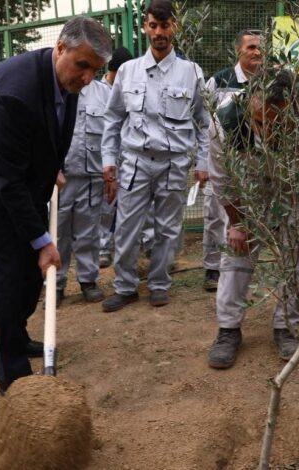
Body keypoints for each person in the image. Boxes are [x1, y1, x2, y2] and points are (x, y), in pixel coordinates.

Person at [0, 16, 111, 394]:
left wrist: (52, 168)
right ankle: (13, 377)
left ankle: (16, 335)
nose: (87, 79)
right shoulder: (15, 93)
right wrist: (43, 241)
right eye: (82, 66)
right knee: (8, 272)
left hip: (13, 178)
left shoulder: (63, 80)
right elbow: (8, 182)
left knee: (30, 274)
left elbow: (47, 135)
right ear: (61, 48)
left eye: (95, 71)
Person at [207, 69, 299, 369]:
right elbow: (224, 182)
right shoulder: (225, 120)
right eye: (259, 122)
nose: (267, 134)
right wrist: (238, 223)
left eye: (279, 125)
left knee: (297, 253)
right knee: (237, 251)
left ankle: (286, 325)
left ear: (297, 110)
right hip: (250, 184)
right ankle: (228, 329)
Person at [100, 0, 210, 312]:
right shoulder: (127, 71)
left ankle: (160, 284)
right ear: (146, 27)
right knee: (127, 227)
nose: (159, 32)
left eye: (165, 25)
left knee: (168, 229)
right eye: (153, 25)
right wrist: (109, 160)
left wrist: (203, 162)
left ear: (174, 27)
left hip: (174, 164)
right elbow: (112, 120)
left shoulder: (191, 73)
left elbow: (204, 122)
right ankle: (125, 286)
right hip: (135, 162)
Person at [201, 29, 263, 292]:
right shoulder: (219, 80)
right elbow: (205, 122)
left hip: (254, 163)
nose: (257, 52)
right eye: (251, 47)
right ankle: (212, 267)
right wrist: (202, 164)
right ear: (238, 50)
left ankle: (241, 265)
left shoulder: (269, 82)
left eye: (260, 47)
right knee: (215, 214)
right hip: (222, 161)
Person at [55, 60, 116, 305]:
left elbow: (113, 134)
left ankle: (88, 280)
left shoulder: (105, 94)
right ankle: (55, 283)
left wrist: (112, 172)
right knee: (57, 232)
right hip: (60, 178)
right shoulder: (57, 89)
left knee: (88, 231)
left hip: (92, 175)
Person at [98, 46, 134, 269]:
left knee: (136, 204)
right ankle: (103, 247)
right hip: (107, 157)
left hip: (130, 155)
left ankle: (145, 244)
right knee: (106, 204)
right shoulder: (97, 90)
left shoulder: (130, 88)